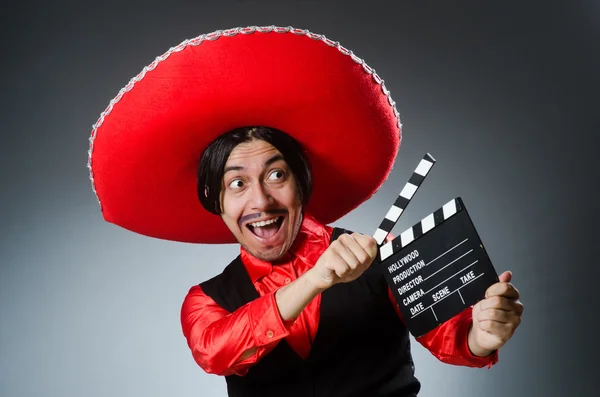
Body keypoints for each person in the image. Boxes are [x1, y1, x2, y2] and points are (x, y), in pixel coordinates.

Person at [87, 26, 523, 397]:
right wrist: (317, 279)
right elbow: (216, 351)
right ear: (215, 201)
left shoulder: (378, 254)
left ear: (302, 184)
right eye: (237, 183)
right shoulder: (205, 301)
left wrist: (482, 336)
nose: (260, 201)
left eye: (276, 176)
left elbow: (450, 338)